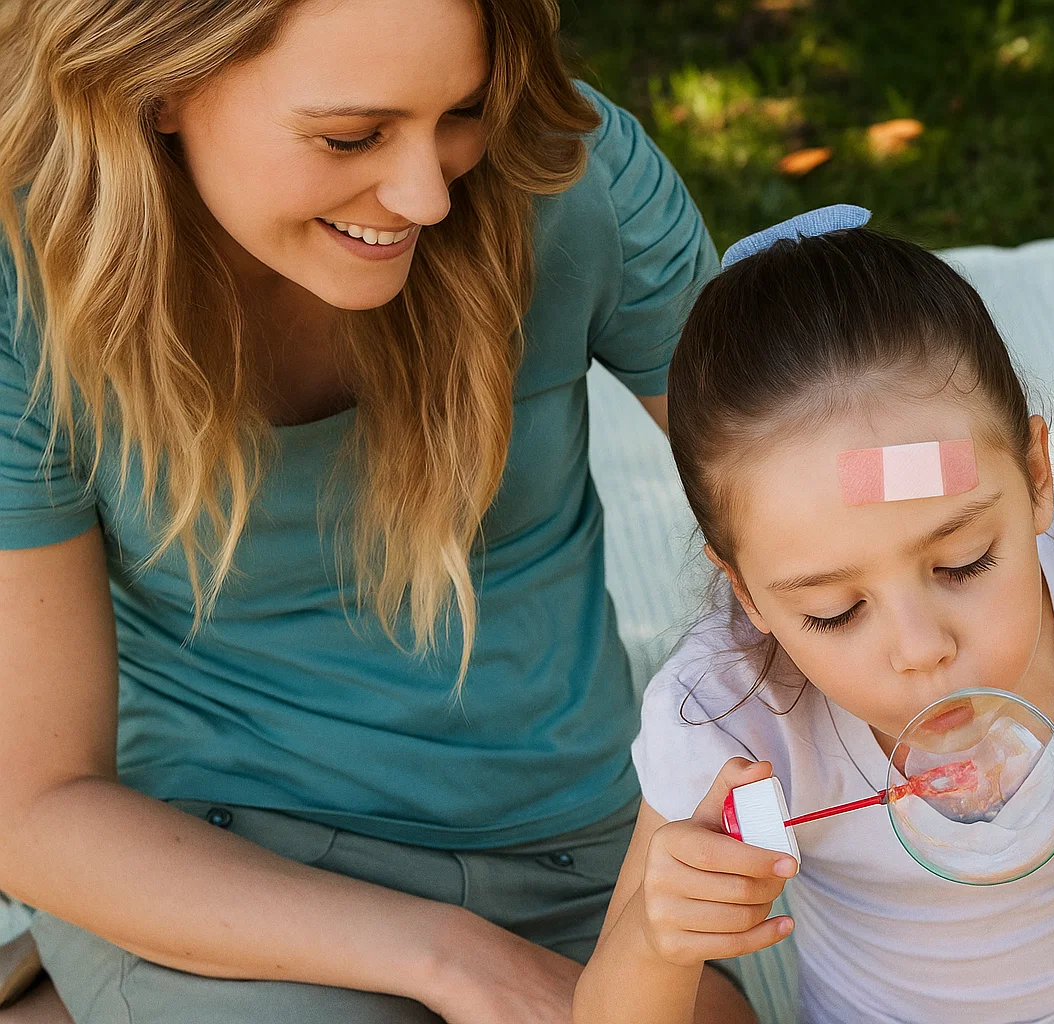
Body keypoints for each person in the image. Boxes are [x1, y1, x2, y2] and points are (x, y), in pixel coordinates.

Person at [0, 0, 749, 1021]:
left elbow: (803, 498)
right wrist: (454, 958)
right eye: (350, 136)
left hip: (585, 849)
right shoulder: (25, 283)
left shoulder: (563, 172)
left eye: (462, 111)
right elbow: (34, 804)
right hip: (224, 865)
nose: (426, 195)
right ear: (161, 86)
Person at [574, 209, 1054, 1024]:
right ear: (746, 593)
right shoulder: (731, 717)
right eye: (835, 610)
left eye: (962, 564)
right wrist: (653, 935)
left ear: (1035, 476)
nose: (921, 650)